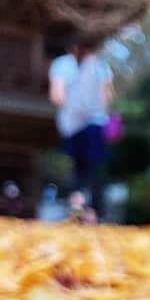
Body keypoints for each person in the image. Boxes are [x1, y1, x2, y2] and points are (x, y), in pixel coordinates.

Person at [48, 36, 114, 219]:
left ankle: (77, 205)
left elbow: (57, 95)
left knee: (77, 168)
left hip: (72, 124)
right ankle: (92, 212)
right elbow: (106, 97)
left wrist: (72, 107)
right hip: (94, 123)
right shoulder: (100, 66)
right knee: (93, 168)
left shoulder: (61, 65)